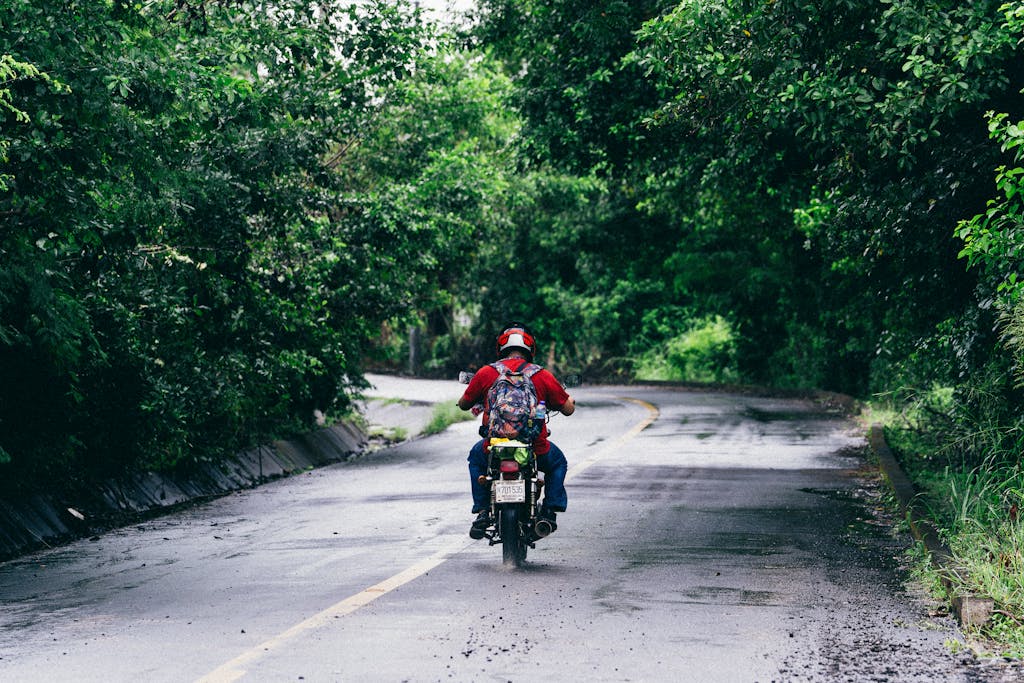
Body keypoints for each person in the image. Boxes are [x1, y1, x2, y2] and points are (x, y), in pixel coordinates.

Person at [457, 323, 576, 538]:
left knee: (476, 458)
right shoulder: (542, 375)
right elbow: (568, 409)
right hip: (534, 447)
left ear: (500, 348)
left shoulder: (486, 373)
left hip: (493, 446)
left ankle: (483, 511)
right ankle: (549, 511)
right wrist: (569, 400)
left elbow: (464, 404)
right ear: (530, 349)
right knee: (558, 462)